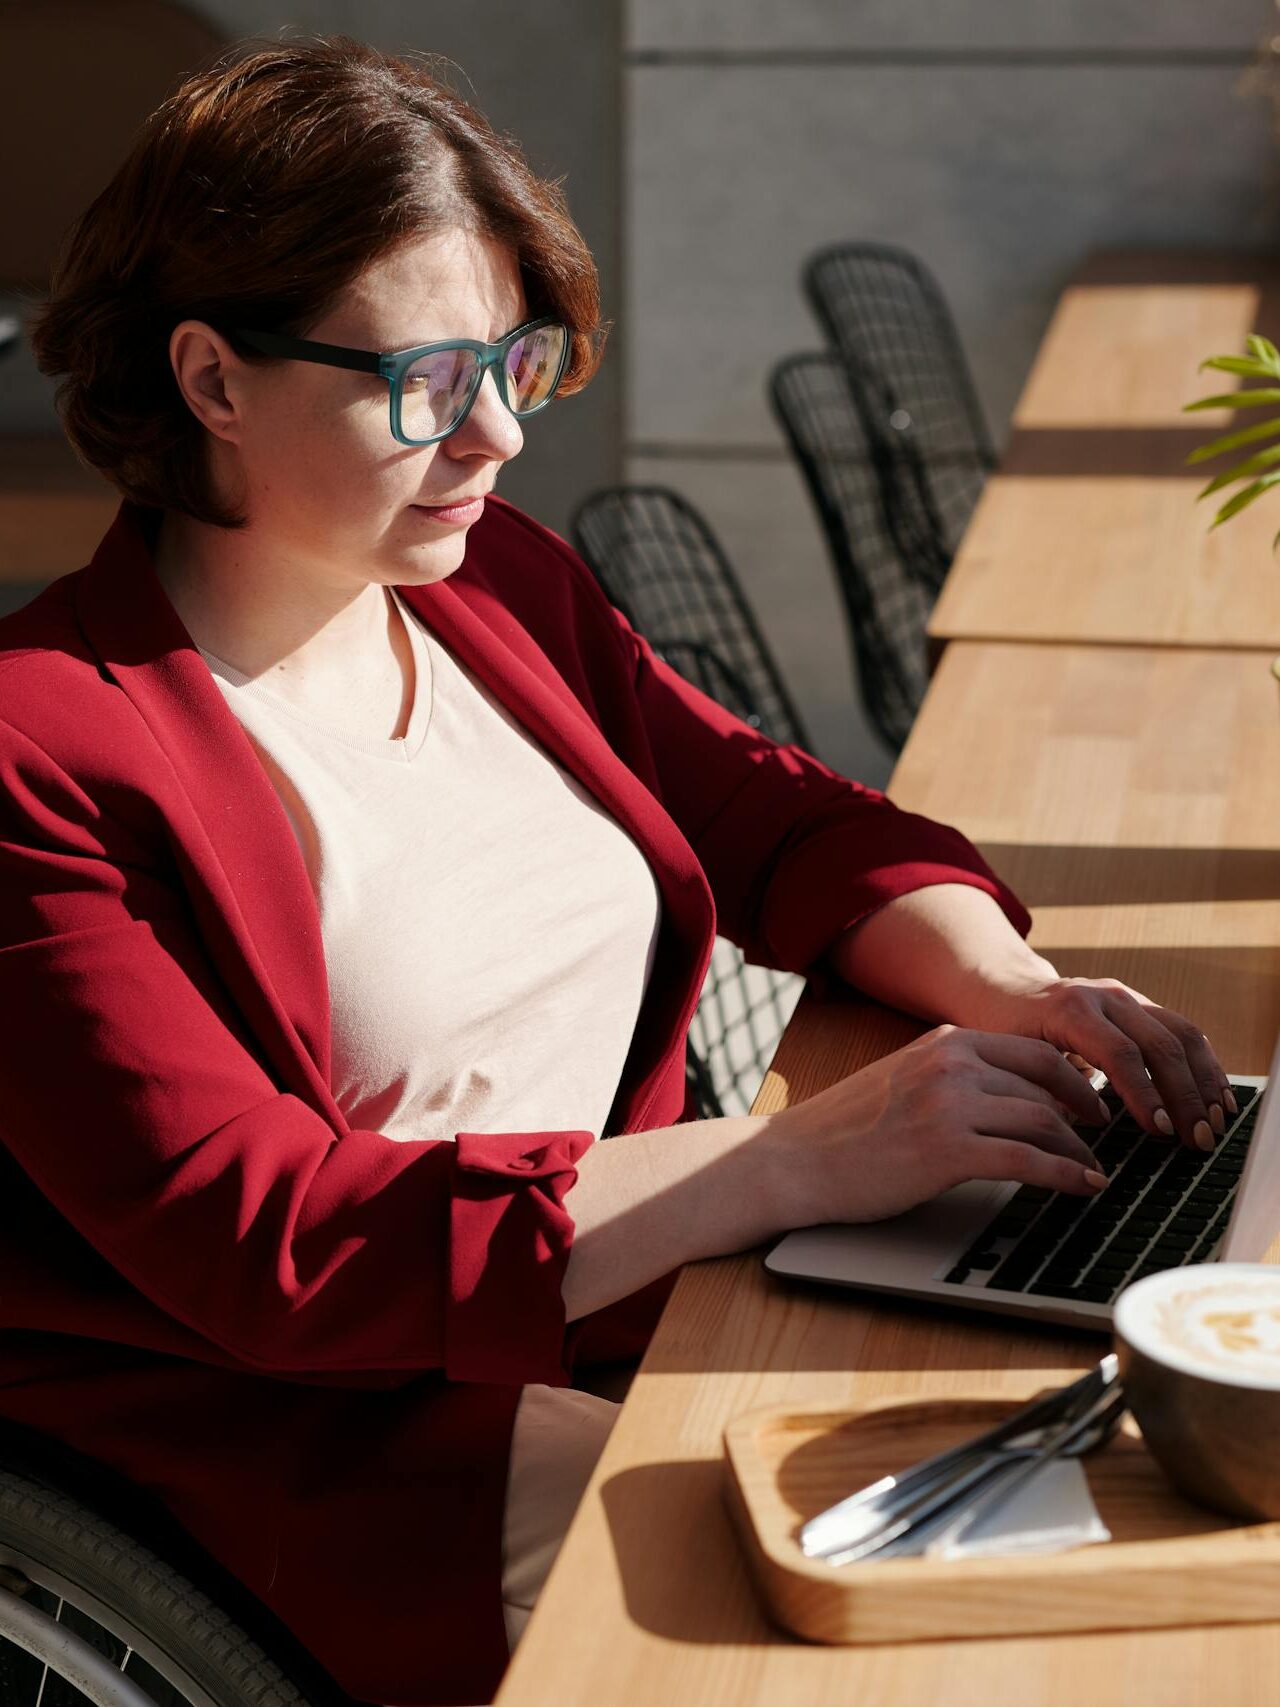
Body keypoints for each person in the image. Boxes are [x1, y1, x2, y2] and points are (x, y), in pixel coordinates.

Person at [2, 34, 1230, 1707]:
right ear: (212, 380)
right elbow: (266, 1240)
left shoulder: (484, 577)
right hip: (345, 1437)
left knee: (1128, 1443)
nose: (500, 432)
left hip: (639, 1294)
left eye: (520, 356)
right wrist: (788, 1160)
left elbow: (772, 810)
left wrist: (1008, 986)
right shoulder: (41, 747)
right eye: (426, 381)